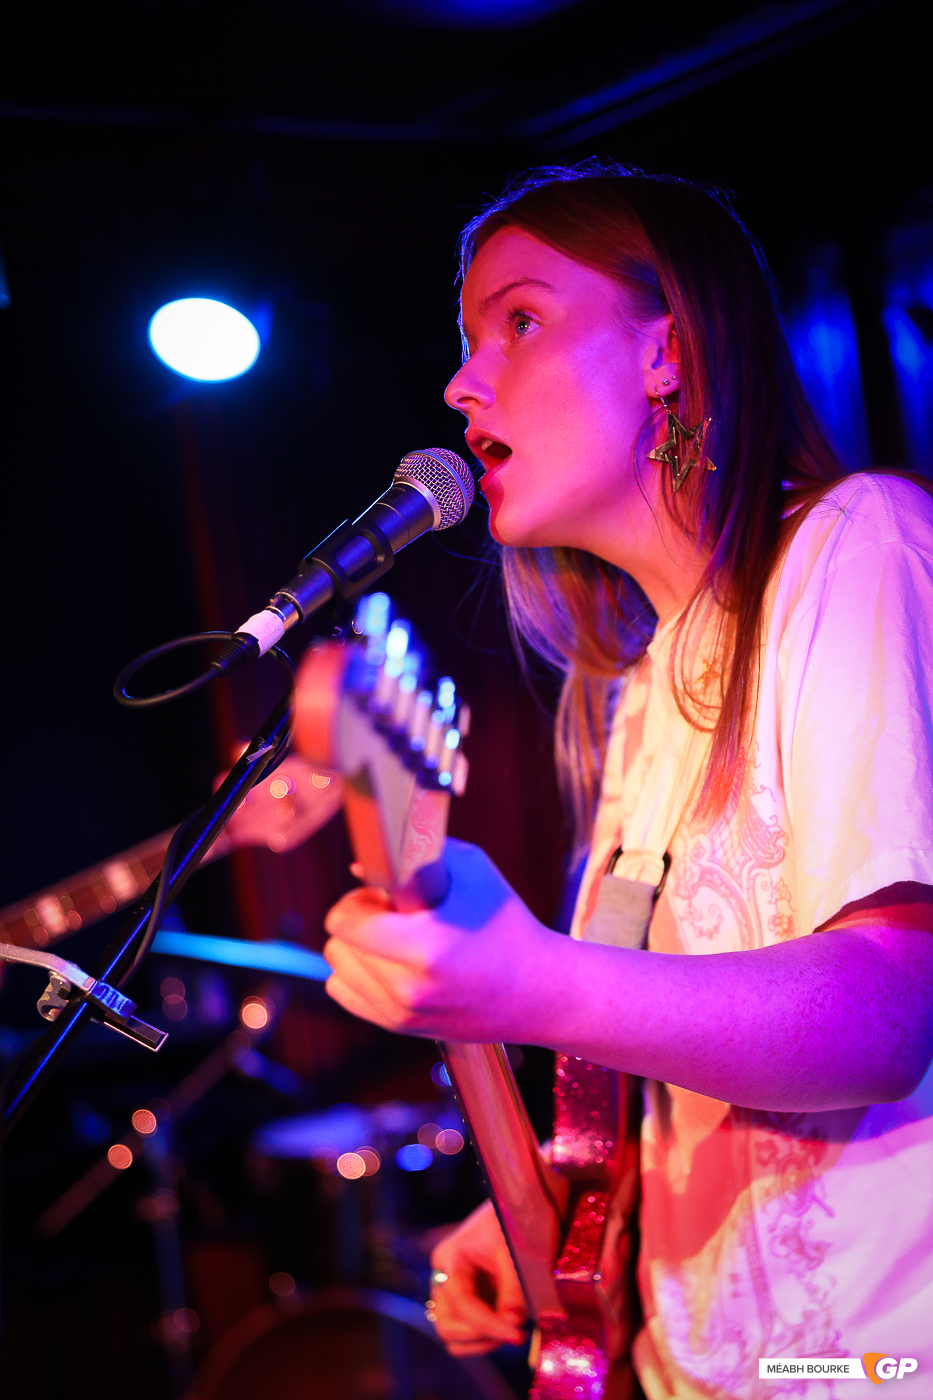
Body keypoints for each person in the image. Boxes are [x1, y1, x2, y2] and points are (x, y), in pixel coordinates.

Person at [312, 163, 933, 1398]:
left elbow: (888, 1011)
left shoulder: (856, 547)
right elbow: (671, 1068)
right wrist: (563, 1215)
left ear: (666, 351)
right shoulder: (640, 696)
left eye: (522, 320)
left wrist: (533, 979)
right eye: (465, 339)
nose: (460, 381)